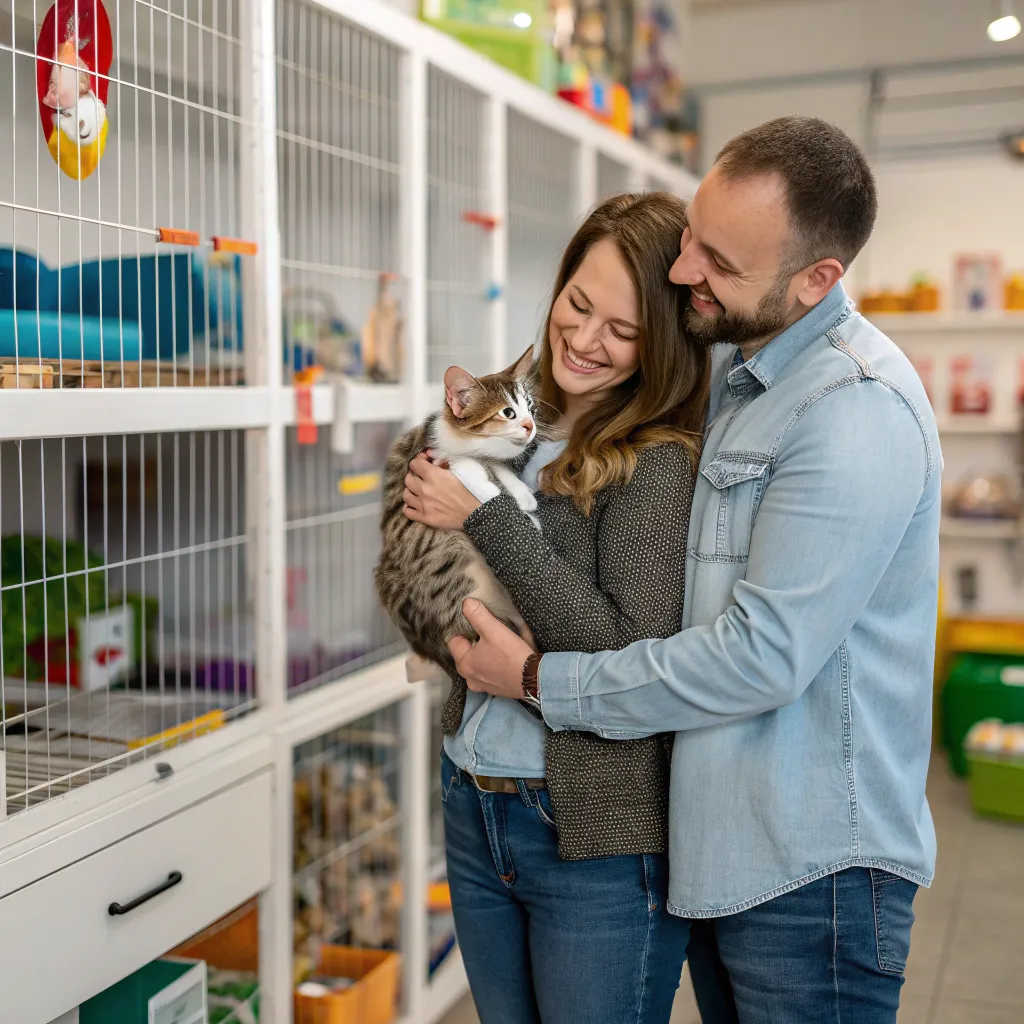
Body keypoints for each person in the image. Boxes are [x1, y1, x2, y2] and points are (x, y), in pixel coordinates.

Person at [444, 116, 941, 1024]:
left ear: (815, 280)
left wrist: (533, 678)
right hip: (720, 844)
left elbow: (758, 657)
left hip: (813, 868)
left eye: (716, 260)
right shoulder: (745, 383)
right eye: (691, 243)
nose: (684, 274)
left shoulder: (850, 411)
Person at [402, 191, 710, 1024]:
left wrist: (481, 515)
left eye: (623, 328)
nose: (583, 338)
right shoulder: (518, 416)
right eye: (577, 303)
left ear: (665, 343)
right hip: (475, 793)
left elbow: (621, 647)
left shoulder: (658, 463)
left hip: (589, 831)